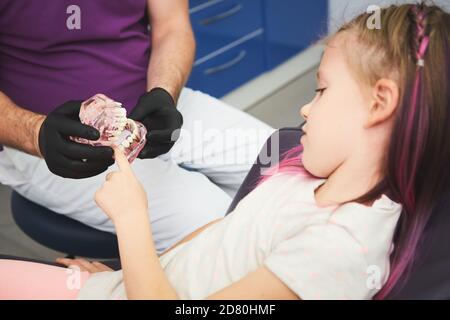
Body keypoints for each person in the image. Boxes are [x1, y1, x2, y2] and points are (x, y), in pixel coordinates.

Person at [2, 2, 449, 300]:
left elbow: (174, 26)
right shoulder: (299, 178)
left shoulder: (337, 249)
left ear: (380, 102)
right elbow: (220, 242)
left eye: (322, 89)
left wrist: (132, 221)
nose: (305, 107)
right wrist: (126, 274)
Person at [0, 0, 273, 254]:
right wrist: (35, 134)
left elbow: (171, 26)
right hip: (54, 137)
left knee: (291, 167)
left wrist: (164, 94)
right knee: (215, 225)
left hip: (151, 103)